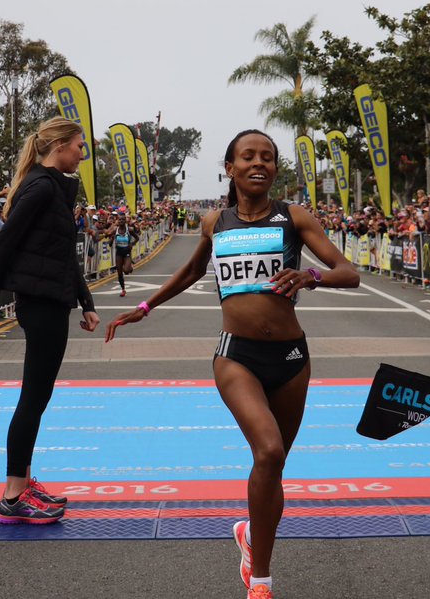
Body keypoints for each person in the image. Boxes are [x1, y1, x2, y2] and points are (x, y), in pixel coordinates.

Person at [106, 129, 359, 599]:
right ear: (231, 168)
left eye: (267, 157)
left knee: (274, 468)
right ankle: (261, 584)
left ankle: (252, 546)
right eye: (248, 156)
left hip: (290, 358)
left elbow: (350, 273)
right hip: (236, 356)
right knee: (268, 452)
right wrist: (145, 308)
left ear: (275, 169)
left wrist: (311, 276)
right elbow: (191, 272)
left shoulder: (293, 217)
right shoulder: (215, 222)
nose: (258, 163)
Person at [0, 117, 100, 525]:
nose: (83, 153)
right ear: (59, 145)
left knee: (37, 398)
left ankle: (23, 482)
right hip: (40, 302)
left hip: (52, 298)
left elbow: (62, 253)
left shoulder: (52, 187)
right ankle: (12, 495)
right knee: (33, 398)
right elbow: (4, 243)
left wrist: (86, 300)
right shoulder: (42, 187)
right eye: (79, 145)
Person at [108, 211, 139, 298]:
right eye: (119, 219)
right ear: (117, 220)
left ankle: (129, 267)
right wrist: (112, 238)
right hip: (119, 252)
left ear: (125, 221)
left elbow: (137, 238)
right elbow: (110, 244)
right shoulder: (115, 230)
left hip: (127, 252)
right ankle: (123, 289)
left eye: (123, 219)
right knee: (119, 272)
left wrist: (131, 244)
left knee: (126, 270)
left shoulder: (130, 230)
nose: (121, 221)